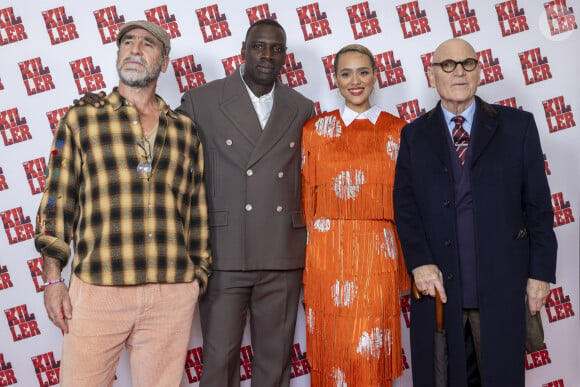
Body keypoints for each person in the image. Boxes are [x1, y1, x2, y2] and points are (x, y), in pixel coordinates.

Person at [35, 20, 210, 387]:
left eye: (147, 44)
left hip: (170, 292)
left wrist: (197, 278)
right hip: (99, 288)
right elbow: (56, 201)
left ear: (163, 62)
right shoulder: (83, 118)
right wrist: (53, 281)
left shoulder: (184, 130)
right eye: (127, 42)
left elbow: (196, 211)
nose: (134, 49)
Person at [393, 38, 557, 387]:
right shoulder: (413, 135)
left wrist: (540, 273)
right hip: (439, 288)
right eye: (448, 65)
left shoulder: (518, 126)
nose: (458, 72)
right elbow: (405, 208)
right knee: (441, 379)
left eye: (468, 64)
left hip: (502, 285)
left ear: (480, 72)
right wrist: (419, 263)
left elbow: (539, 208)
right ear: (431, 74)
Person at [178, 19, 314, 386]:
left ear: (285, 56)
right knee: (219, 357)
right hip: (224, 250)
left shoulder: (302, 107)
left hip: (282, 251)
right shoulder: (201, 100)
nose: (266, 55)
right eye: (259, 46)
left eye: (276, 48)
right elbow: (175, 169)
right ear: (243, 49)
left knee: (276, 357)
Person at [301, 44, 410, 386]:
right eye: (346, 73)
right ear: (335, 79)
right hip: (327, 254)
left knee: (371, 348)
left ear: (376, 76)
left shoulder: (400, 130)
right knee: (333, 346)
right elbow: (307, 197)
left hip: (379, 253)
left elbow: (410, 201)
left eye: (363, 71)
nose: (355, 80)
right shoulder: (314, 130)